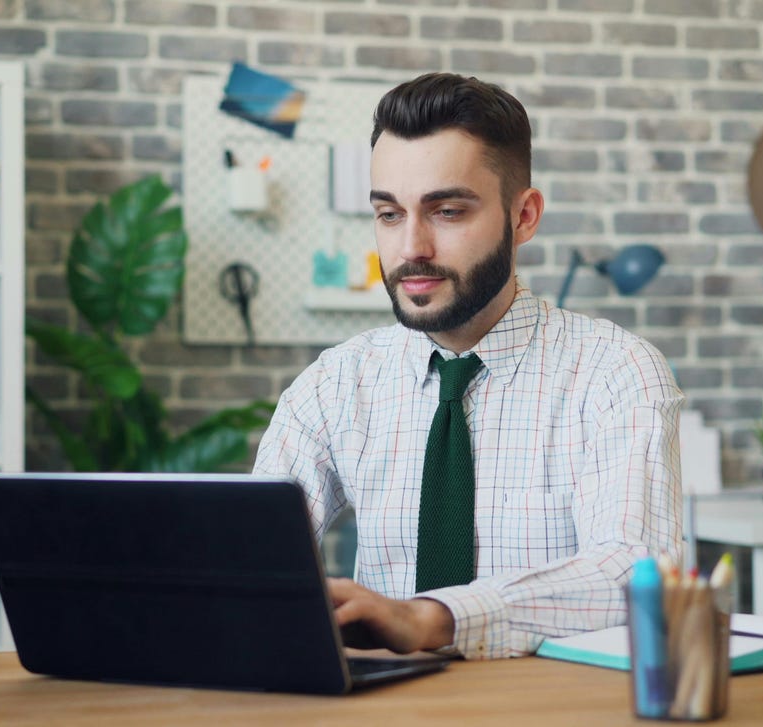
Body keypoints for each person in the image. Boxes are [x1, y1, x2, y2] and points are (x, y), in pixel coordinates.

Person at [253, 72, 683, 660]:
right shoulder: (333, 386)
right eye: (388, 214)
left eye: (447, 211)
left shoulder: (616, 373)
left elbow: (635, 577)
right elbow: (251, 560)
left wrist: (433, 620)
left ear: (524, 216)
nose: (410, 249)